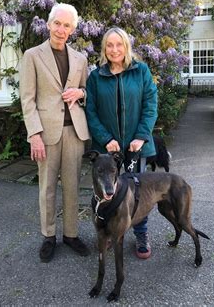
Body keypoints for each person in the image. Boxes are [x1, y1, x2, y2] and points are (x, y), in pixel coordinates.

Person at [19, 3, 90, 263]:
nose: (61, 30)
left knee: (72, 187)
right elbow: (27, 99)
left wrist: (81, 93)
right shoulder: (33, 56)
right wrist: (34, 134)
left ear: (72, 29)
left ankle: (71, 234)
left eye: (67, 25)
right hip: (46, 133)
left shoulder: (81, 59)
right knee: (47, 188)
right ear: (49, 24)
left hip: (75, 132)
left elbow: (87, 91)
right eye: (57, 24)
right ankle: (48, 235)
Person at [85, 27, 158, 259]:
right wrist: (106, 139)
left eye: (119, 44)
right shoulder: (96, 77)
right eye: (109, 45)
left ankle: (141, 233)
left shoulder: (141, 71)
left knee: (137, 194)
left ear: (126, 47)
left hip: (136, 148)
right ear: (104, 49)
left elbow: (150, 105)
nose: (114, 49)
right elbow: (91, 112)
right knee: (107, 192)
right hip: (108, 151)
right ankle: (108, 234)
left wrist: (141, 136)